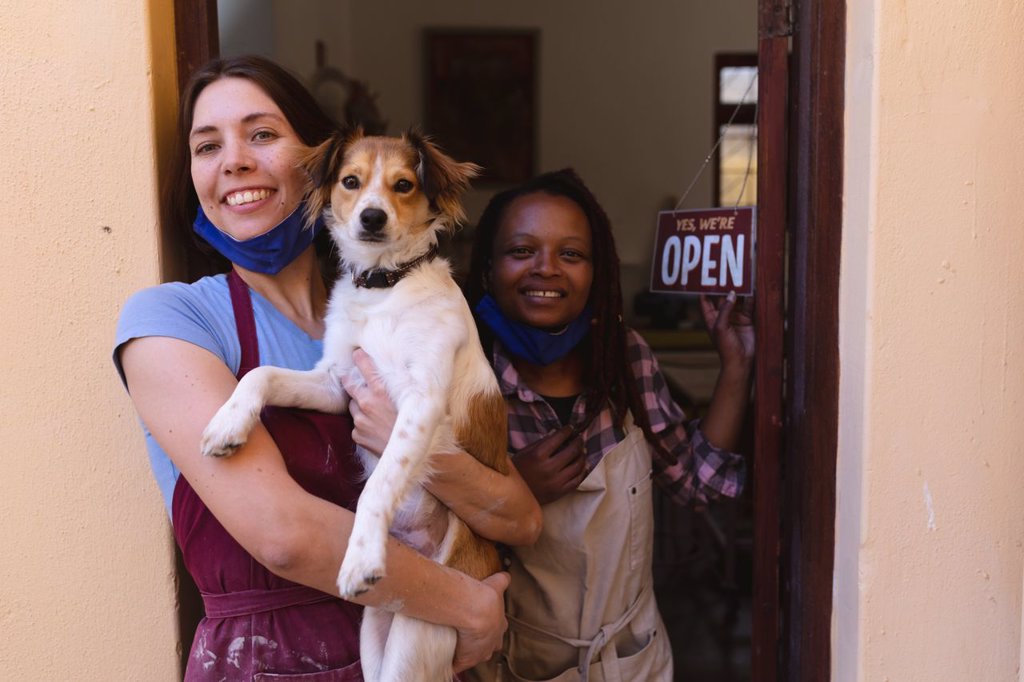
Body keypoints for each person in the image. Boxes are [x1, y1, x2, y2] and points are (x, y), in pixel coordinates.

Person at [113, 55, 541, 681]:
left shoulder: (381, 315)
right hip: (268, 660)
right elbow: (283, 535)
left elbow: (523, 519)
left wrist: (413, 442)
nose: (233, 159)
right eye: (208, 146)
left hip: (397, 645)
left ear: (311, 162)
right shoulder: (172, 320)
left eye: (261, 134)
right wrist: (470, 608)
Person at [461, 168, 754, 680]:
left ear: (598, 274)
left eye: (570, 254)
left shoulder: (624, 360)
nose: (546, 269)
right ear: (487, 269)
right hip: (512, 663)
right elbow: (421, 542)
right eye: (522, 251)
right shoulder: (459, 378)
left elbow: (695, 482)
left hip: (631, 660)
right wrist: (511, 492)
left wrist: (736, 366)